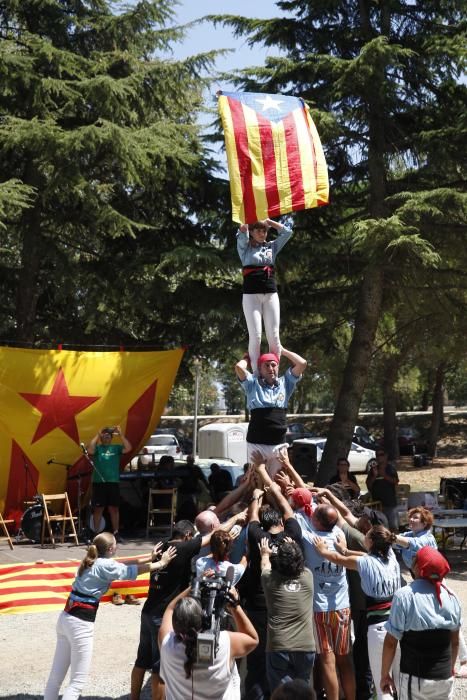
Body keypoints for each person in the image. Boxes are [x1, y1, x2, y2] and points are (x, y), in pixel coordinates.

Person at [44, 532, 176, 700]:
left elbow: (119, 565)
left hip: (65, 618)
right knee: (77, 682)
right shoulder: (105, 565)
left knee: (55, 677)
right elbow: (128, 570)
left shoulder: (90, 561)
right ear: (111, 548)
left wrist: (149, 558)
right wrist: (161, 563)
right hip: (81, 623)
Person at [313, 525, 401, 700]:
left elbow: (337, 559)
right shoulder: (391, 557)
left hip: (379, 629)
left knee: (382, 682)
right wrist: (346, 550)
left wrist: (323, 551)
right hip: (398, 624)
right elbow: (365, 555)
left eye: (366, 536)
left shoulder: (364, 563)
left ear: (371, 542)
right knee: (400, 680)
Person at [381, 546, 461, 699]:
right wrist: (449, 670)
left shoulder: (404, 595)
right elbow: (455, 642)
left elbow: (391, 642)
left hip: (415, 678)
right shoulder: (453, 597)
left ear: (418, 567)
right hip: (444, 678)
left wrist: (385, 674)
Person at [293, 502, 355, 700]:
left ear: (316, 520)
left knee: (327, 660)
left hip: (320, 609)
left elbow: (291, 517)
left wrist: (301, 502)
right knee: (345, 660)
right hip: (343, 607)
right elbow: (333, 517)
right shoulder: (339, 535)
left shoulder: (312, 540)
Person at [158, 587, 259, 699]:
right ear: (202, 618)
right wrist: (235, 605)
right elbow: (252, 639)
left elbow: (170, 609)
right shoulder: (224, 643)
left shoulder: (166, 645)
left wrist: (193, 586)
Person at [235, 348, 307, 477]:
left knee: (279, 482)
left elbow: (302, 363)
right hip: (257, 443)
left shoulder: (286, 383)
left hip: (278, 444)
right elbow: (239, 368)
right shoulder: (253, 384)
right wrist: (247, 358)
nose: (270, 368)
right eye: (266, 365)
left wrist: (282, 350)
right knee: (257, 481)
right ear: (260, 369)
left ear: (278, 367)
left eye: (273, 365)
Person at [260, 537, 315, 694]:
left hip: (279, 646)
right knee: (302, 694)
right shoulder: (308, 577)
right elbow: (298, 563)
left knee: (282, 694)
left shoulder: (269, 579)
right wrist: (293, 546)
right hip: (306, 646)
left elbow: (265, 566)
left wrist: (265, 553)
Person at [237, 218, 293, 373]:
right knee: (255, 336)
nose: (262, 233)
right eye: (258, 230)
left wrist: (269, 221)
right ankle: (256, 374)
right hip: (251, 296)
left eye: (264, 230)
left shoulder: (271, 247)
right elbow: (242, 229)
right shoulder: (245, 248)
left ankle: (273, 372)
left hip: (270, 294)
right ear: (252, 232)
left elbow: (287, 232)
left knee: (274, 336)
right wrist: (252, 220)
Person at [87, 425, 132, 541]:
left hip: (113, 482)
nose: (106, 437)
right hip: (99, 483)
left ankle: (116, 533)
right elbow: (89, 450)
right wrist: (98, 434)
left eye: (108, 436)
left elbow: (128, 448)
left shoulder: (116, 448)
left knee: (114, 509)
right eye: (104, 436)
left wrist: (121, 434)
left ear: (111, 438)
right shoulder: (98, 448)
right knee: (98, 509)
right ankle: (96, 534)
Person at [394, 506, 437, 572]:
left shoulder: (427, 538)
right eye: (411, 517)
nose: (411, 519)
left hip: (429, 573)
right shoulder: (410, 534)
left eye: (415, 518)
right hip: (415, 571)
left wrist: (392, 537)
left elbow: (413, 543)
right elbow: (397, 541)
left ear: (424, 523)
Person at [365, 450, 399, 531]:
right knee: (380, 528)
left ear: (386, 456)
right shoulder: (373, 470)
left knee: (392, 527)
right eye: (377, 455)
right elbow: (368, 485)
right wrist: (374, 476)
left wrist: (384, 475)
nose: (379, 457)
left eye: (381, 454)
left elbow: (396, 481)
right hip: (376, 504)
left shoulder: (390, 468)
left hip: (390, 503)